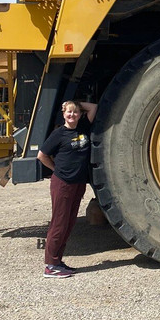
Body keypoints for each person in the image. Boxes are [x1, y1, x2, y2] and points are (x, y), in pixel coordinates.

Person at [37, 99, 97, 278]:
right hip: (62, 184)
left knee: (69, 223)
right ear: (63, 114)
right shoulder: (59, 134)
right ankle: (50, 265)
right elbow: (42, 155)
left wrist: (74, 102)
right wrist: (56, 169)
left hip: (78, 184)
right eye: (69, 112)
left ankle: (58, 261)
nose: (72, 115)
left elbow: (93, 107)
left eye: (75, 112)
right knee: (59, 223)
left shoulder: (83, 128)